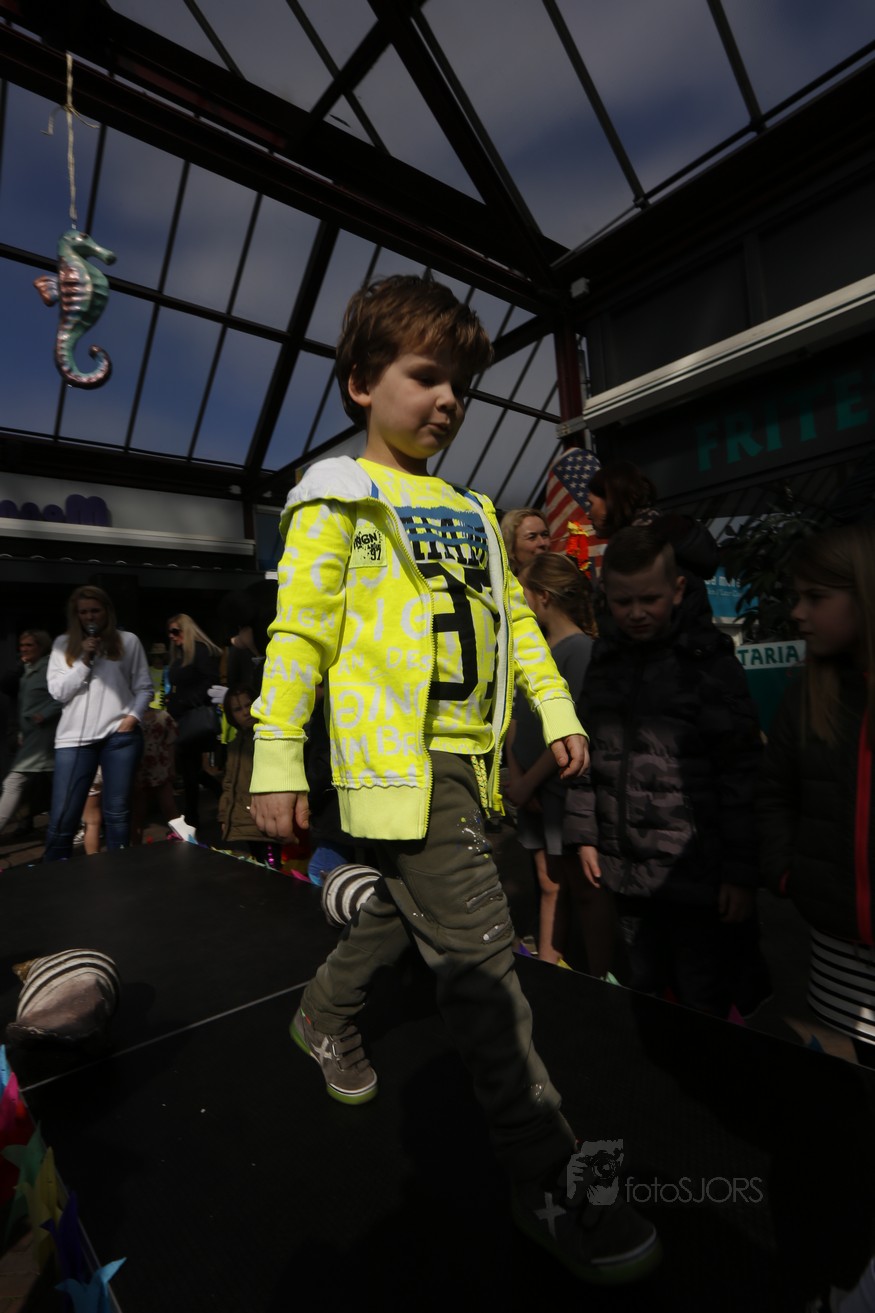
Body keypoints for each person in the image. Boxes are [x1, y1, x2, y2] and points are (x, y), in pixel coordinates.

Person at [249, 273, 658, 1286]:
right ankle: (545, 1168)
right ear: (360, 382)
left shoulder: (477, 513)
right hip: (395, 760)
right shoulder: (335, 496)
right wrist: (274, 754)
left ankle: (322, 1012)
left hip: (471, 765)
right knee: (479, 960)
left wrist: (559, 713)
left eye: (459, 386)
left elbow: (518, 626)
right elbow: (298, 634)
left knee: (406, 908)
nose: (448, 400)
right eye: (425, 376)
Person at [566, 526, 762, 1017]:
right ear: (606, 596)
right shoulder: (605, 662)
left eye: (649, 599)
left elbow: (741, 773)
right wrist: (585, 836)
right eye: (622, 601)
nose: (636, 612)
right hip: (625, 870)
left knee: (703, 999)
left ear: (676, 590)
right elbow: (585, 752)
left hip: (696, 875)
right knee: (647, 990)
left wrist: (740, 873)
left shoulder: (710, 664)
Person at [758, 522, 875, 1066]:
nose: (798, 613)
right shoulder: (804, 696)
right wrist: (790, 874)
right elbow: (775, 793)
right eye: (796, 597)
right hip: (835, 944)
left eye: (816, 597)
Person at [505, 554, 612, 974]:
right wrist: (520, 781)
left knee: (583, 889)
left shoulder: (581, 651)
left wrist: (527, 783)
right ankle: (549, 967)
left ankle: (600, 977)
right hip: (533, 794)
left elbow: (571, 730)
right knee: (549, 883)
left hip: (562, 796)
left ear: (543, 597)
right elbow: (515, 719)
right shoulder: (536, 654)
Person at [43, 586, 152, 861]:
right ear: (75, 615)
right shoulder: (63, 644)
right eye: (83, 612)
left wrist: (132, 718)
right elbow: (58, 692)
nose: (89, 617)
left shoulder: (128, 641)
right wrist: (84, 660)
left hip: (119, 736)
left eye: (95, 610)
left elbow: (144, 687)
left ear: (107, 612)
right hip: (74, 739)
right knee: (63, 816)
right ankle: (53, 874)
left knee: (117, 814)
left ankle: (119, 873)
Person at [586, 460, 719, 608]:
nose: (588, 514)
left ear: (611, 501)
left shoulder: (639, 550)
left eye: (591, 504)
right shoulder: (667, 539)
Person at [0, 631, 61, 836]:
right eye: (22, 645)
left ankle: (86, 822)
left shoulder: (50, 668)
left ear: (41, 647)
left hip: (44, 736)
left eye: (29, 645)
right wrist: (21, 730)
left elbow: (63, 696)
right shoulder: (27, 669)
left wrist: (44, 714)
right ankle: (85, 822)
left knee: (13, 782)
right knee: (59, 783)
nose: (24, 649)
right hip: (31, 736)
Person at [165, 613, 221, 830]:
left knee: (189, 767)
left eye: (175, 631)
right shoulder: (181, 654)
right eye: (170, 632)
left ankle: (192, 816)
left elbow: (210, 682)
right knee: (190, 768)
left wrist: (185, 702)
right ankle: (218, 796)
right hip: (180, 716)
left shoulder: (200, 651)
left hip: (192, 716)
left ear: (186, 630)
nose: (172, 636)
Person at [499, 506, 551, 576]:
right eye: (532, 537)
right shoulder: (498, 581)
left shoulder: (561, 578)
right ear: (511, 545)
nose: (542, 543)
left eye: (545, 535)